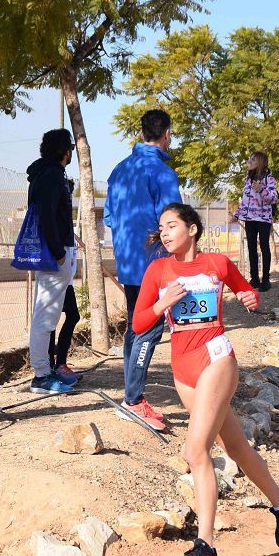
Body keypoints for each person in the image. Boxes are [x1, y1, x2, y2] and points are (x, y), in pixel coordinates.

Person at [132, 203, 279, 556]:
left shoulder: (217, 264)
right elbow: (139, 322)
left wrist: (249, 298)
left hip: (216, 357)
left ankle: (205, 547)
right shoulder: (158, 270)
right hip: (182, 369)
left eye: (171, 225)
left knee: (196, 450)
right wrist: (162, 303)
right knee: (235, 447)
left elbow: (247, 292)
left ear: (192, 229)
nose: (164, 232)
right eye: (160, 227)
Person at [104, 109, 183, 430]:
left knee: (136, 327)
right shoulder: (162, 173)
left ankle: (131, 396)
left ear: (140, 133)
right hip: (154, 264)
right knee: (149, 331)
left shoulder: (119, 170)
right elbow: (174, 223)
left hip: (127, 262)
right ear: (166, 134)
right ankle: (133, 400)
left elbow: (108, 218)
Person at [27, 129, 78, 394]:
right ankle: (41, 376)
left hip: (58, 254)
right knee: (45, 317)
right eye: (70, 149)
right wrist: (58, 252)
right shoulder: (49, 175)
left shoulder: (51, 174)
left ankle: (48, 371)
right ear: (64, 151)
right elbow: (47, 216)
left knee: (51, 314)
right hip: (53, 255)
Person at [233, 151, 279, 292]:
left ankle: (266, 279)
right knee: (251, 247)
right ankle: (255, 279)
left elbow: (274, 197)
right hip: (249, 219)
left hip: (263, 218)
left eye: (252, 160)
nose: (249, 162)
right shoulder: (248, 179)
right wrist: (236, 215)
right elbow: (245, 201)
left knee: (264, 246)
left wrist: (262, 190)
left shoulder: (269, 178)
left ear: (259, 162)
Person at [48, 285, 81, 384]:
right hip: (55, 281)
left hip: (66, 280)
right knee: (51, 320)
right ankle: (51, 368)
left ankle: (59, 365)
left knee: (73, 316)